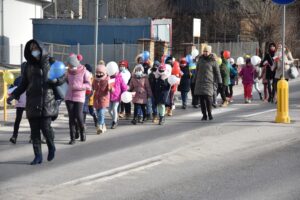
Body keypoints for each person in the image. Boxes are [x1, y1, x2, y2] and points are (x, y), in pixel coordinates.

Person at [7, 39, 64, 165]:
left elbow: (62, 76)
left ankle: (51, 146)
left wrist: (56, 81)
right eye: (31, 49)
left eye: (36, 48)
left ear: (41, 48)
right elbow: (23, 84)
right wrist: (13, 95)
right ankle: (37, 156)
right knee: (34, 132)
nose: (34, 51)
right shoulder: (28, 66)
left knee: (45, 128)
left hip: (47, 101)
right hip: (32, 101)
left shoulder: (50, 62)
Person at [65, 54, 91, 145]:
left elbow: (89, 85)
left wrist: (79, 86)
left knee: (79, 117)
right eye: (68, 65)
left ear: (75, 63)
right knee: (71, 118)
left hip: (79, 96)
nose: (69, 66)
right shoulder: (68, 72)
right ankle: (72, 138)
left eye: (70, 65)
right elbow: (66, 82)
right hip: (69, 97)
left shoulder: (84, 71)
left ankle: (82, 131)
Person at [194, 45, 222, 120]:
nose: (205, 53)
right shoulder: (200, 60)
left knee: (209, 99)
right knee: (202, 100)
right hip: (200, 82)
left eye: (206, 51)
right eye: (204, 51)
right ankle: (204, 115)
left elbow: (217, 72)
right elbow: (196, 71)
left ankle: (210, 113)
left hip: (209, 82)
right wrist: (194, 81)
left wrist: (220, 82)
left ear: (210, 52)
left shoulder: (213, 61)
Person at [8, 62, 26, 144]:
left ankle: (14, 136)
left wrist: (10, 98)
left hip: (21, 102)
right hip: (29, 102)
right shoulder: (31, 79)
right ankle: (32, 137)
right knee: (32, 120)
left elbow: (12, 90)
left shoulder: (18, 79)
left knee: (17, 120)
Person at [93, 64, 111, 134]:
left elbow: (112, 89)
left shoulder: (107, 79)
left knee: (101, 113)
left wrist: (111, 89)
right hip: (96, 99)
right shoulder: (95, 79)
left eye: (100, 73)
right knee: (98, 113)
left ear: (104, 73)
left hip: (104, 99)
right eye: (97, 72)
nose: (99, 74)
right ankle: (103, 125)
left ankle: (99, 126)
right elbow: (93, 87)